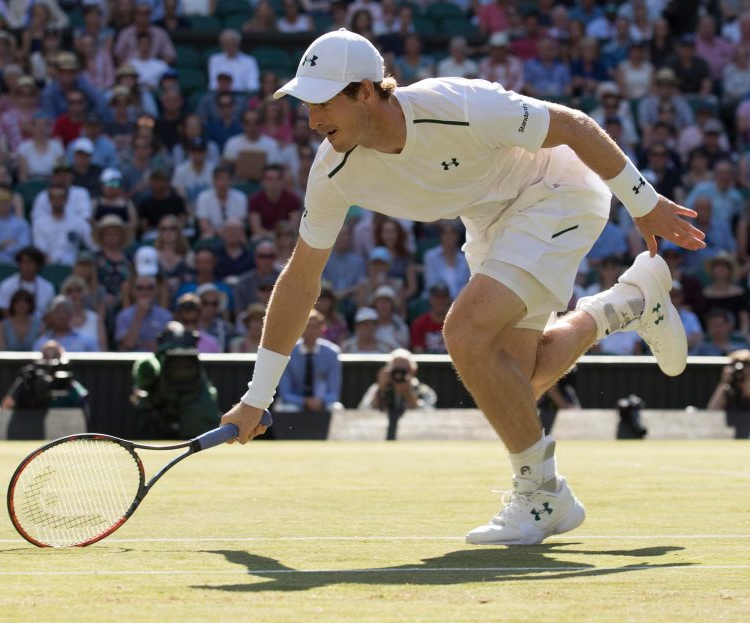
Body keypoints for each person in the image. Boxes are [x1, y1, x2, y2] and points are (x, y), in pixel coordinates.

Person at [221, 29, 705, 546]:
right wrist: (256, 396)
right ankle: (629, 301)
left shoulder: (456, 105)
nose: (313, 120)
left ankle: (543, 495)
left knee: (466, 335)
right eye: (306, 105)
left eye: (323, 103)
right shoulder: (332, 169)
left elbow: (573, 125)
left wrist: (643, 201)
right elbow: (301, 279)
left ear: (365, 91)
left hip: (557, 191)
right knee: (518, 381)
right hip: (491, 220)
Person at [275, 309, 341, 413]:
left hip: (321, 403)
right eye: (307, 327)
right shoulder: (287, 352)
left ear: (322, 329)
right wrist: (304, 401)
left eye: (314, 327)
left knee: (336, 408)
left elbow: (334, 393)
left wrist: (320, 401)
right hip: (294, 404)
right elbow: (285, 393)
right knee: (287, 409)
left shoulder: (332, 353)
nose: (310, 331)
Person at [357, 348, 436, 434]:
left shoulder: (424, 391)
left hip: (415, 433)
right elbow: (362, 413)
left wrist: (408, 395)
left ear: (413, 371)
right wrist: (380, 390)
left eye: (404, 370)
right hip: (378, 432)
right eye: (396, 370)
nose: (399, 374)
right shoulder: (376, 389)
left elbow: (429, 419)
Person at [706, 350, 750, 439]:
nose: (741, 367)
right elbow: (712, 410)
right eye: (735, 364)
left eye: (746, 364)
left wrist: (747, 381)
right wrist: (723, 382)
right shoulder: (728, 389)